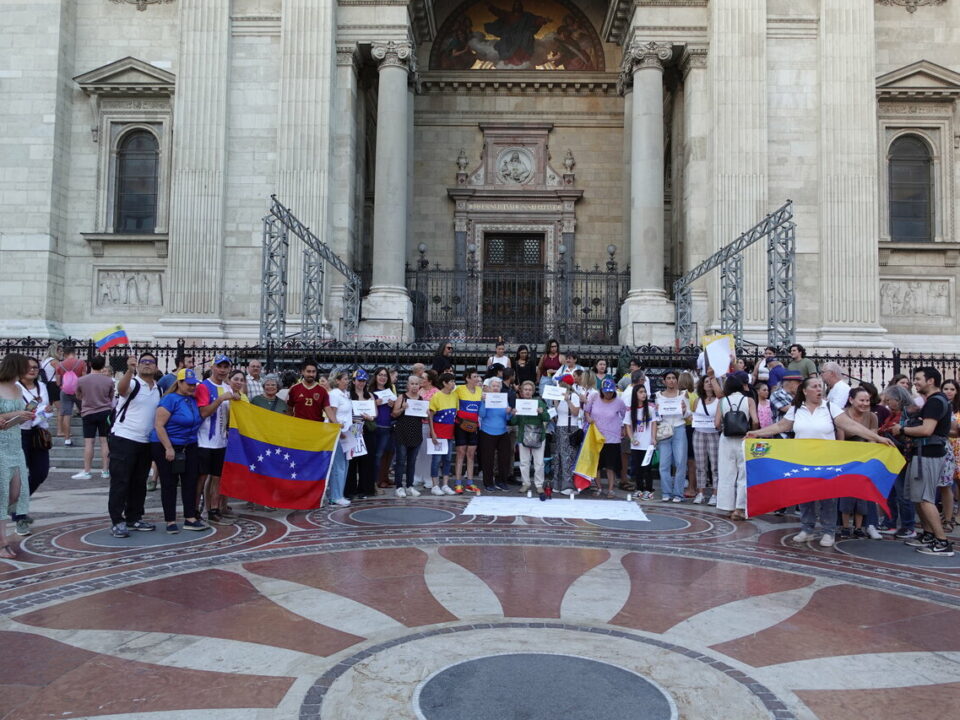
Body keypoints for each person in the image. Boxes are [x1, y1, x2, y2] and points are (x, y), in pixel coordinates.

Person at [747, 377, 892, 547]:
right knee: (804, 494)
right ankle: (806, 528)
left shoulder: (830, 408)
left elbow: (852, 426)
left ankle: (828, 531)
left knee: (827, 497)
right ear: (804, 391)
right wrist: (756, 433)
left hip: (826, 461)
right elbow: (780, 427)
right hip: (802, 460)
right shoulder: (796, 409)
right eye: (814, 387)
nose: (819, 390)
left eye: (820, 386)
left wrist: (877, 438)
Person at [887, 366, 955, 556]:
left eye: (918, 379)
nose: (914, 382)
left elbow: (926, 430)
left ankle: (942, 541)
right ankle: (928, 534)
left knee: (925, 498)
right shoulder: (934, 401)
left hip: (928, 453)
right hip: (923, 453)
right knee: (917, 496)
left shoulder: (935, 402)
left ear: (931, 380)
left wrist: (901, 430)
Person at [107, 353, 161, 538]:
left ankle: (134, 517)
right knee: (121, 481)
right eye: (143, 362)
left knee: (139, 483)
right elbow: (121, 390)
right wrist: (129, 371)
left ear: (156, 366)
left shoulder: (157, 389)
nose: (147, 365)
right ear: (138, 366)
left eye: (150, 362)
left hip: (145, 442)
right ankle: (117, 520)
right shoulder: (133, 382)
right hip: (125, 438)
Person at [151, 368, 208, 534]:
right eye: (189, 384)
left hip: (189, 445)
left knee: (190, 481)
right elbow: (159, 425)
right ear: (179, 383)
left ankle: (190, 517)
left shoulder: (191, 400)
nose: (192, 387)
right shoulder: (169, 400)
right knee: (169, 483)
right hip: (167, 444)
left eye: (194, 384)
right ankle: (170, 520)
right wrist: (168, 447)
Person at [12, 357, 52, 535]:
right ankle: (20, 516)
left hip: (39, 433)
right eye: (28, 367)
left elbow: (45, 408)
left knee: (40, 473)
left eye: (36, 367)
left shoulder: (42, 387)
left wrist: (45, 412)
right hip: (19, 433)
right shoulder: (13, 388)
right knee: (19, 476)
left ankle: (16, 504)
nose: (33, 370)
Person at [195, 355, 237, 526]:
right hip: (204, 441)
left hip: (221, 441)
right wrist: (220, 399)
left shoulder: (228, 387)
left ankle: (214, 510)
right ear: (213, 367)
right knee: (201, 477)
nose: (222, 370)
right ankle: (195, 510)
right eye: (219, 366)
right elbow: (203, 412)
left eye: (226, 367)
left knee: (218, 477)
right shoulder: (204, 386)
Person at [837, 386, 882, 540]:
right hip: (847, 460)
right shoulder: (842, 415)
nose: (865, 403)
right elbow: (840, 441)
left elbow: (872, 439)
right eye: (861, 400)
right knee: (846, 496)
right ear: (851, 400)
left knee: (862, 496)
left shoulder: (872, 417)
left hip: (865, 460)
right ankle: (844, 526)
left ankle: (860, 527)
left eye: (867, 400)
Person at [0, 354, 34, 558]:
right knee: (2, 494)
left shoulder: (18, 388)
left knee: (15, 493)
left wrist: (25, 416)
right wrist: (15, 415)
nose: (29, 369)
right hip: (0, 446)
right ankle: (1, 542)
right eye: (26, 366)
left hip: (15, 443)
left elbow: (17, 418)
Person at [714, 374, 758, 520]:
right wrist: (752, 431)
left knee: (726, 473)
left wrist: (725, 427)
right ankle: (740, 508)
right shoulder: (749, 400)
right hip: (744, 439)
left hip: (726, 439)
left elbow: (716, 423)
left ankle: (727, 507)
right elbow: (756, 421)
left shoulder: (722, 401)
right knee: (743, 474)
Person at [877, 384, 917, 539]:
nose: (887, 403)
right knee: (890, 492)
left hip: (902, 458)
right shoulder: (892, 415)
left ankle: (908, 525)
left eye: (889, 400)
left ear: (899, 399)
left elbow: (903, 436)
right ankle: (890, 522)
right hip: (892, 459)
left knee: (902, 494)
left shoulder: (906, 415)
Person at [71, 355, 114, 481]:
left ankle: (87, 471)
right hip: (104, 411)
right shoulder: (108, 380)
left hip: (88, 412)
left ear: (90, 364)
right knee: (104, 441)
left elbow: (78, 395)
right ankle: (105, 470)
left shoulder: (82, 380)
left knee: (89, 442)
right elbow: (111, 396)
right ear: (103, 365)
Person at [583, 378, 627, 497]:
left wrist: (623, 427)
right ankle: (599, 488)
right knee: (596, 465)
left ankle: (611, 489)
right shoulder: (594, 397)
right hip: (595, 436)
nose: (609, 394)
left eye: (611, 391)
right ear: (601, 390)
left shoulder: (619, 402)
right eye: (606, 391)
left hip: (612, 437)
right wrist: (588, 418)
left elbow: (625, 415)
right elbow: (586, 410)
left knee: (610, 466)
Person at [655, 370, 691, 502]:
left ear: (677, 380)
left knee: (680, 462)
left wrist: (684, 410)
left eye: (673, 378)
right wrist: (657, 411)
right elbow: (656, 417)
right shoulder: (658, 395)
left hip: (679, 428)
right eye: (668, 378)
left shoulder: (683, 394)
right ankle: (666, 492)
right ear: (664, 381)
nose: (671, 380)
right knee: (664, 463)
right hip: (664, 429)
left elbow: (688, 414)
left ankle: (678, 493)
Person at [510, 380, 550, 497]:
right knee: (524, 462)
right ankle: (526, 483)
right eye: (525, 390)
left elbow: (547, 418)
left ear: (533, 391)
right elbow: (514, 422)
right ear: (521, 392)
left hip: (538, 436)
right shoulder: (519, 404)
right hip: (523, 436)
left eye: (530, 390)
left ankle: (538, 485)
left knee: (539, 463)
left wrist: (542, 413)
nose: (527, 392)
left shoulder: (539, 403)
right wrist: (514, 414)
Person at [346, 369, 377, 500]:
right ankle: (350, 490)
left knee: (366, 461)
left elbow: (375, 414)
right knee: (352, 461)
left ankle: (365, 489)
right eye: (359, 380)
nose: (361, 383)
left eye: (364, 381)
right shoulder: (347, 395)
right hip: (352, 430)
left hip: (367, 430)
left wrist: (370, 418)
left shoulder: (370, 395)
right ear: (353, 381)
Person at [391, 375, 425, 498]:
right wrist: (402, 409)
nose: (414, 386)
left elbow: (422, 417)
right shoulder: (402, 397)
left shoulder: (421, 399)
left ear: (419, 385)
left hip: (416, 433)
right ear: (408, 385)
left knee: (412, 462)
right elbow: (394, 414)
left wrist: (426, 413)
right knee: (400, 461)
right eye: (412, 383)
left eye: (416, 384)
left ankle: (410, 486)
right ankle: (399, 487)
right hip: (402, 433)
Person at [478, 377, 512, 493]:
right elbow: (481, 415)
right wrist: (482, 402)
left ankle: (501, 481)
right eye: (494, 386)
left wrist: (509, 412)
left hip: (502, 431)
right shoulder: (485, 398)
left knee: (505, 458)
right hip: (487, 431)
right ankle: (488, 483)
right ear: (489, 387)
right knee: (488, 459)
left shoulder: (503, 399)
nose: (496, 388)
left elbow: (507, 418)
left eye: (498, 386)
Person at [626, 383, 659, 500]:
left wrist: (653, 438)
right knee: (637, 468)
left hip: (647, 444)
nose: (643, 394)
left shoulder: (650, 408)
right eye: (640, 392)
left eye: (644, 392)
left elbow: (654, 423)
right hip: (636, 445)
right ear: (635, 394)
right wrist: (632, 439)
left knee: (647, 469)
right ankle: (639, 488)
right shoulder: (630, 410)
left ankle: (648, 490)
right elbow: (628, 426)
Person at [427, 372, 458, 496]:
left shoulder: (455, 396)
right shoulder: (436, 396)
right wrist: (433, 433)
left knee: (448, 459)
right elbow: (430, 416)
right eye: (450, 382)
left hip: (449, 433)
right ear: (444, 383)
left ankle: (445, 484)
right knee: (436, 459)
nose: (453, 384)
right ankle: (435, 485)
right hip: (439, 433)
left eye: (453, 381)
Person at [691, 375, 719, 505]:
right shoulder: (698, 401)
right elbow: (693, 416)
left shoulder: (719, 400)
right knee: (700, 465)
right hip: (699, 433)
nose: (709, 384)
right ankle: (700, 492)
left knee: (715, 466)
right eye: (706, 381)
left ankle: (715, 493)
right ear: (702, 385)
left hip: (714, 434)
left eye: (711, 381)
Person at [453, 368, 483, 494]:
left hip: (474, 426)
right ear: (467, 378)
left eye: (477, 376)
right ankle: (458, 483)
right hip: (460, 425)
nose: (477, 379)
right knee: (460, 453)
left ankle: (470, 482)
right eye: (474, 376)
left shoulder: (480, 391)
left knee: (471, 454)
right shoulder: (459, 389)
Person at [326, 371, 354, 507]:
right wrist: (338, 429)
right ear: (337, 381)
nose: (347, 381)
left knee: (344, 463)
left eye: (347, 379)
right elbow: (332, 414)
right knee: (338, 465)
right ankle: (335, 496)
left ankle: (338, 494)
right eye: (344, 379)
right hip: (338, 434)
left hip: (346, 433)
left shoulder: (345, 395)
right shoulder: (335, 395)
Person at [552, 372, 581, 495]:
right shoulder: (558, 395)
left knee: (568, 457)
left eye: (560, 381)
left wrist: (568, 400)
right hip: (560, 427)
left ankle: (567, 485)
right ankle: (557, 484)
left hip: (570, 428)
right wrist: (555, 401)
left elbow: (575, 412)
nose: (558, 383)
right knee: (559, 455)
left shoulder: (574, 396)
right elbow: (556, 412)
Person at [369, 366, 396, 489]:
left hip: (388, 425)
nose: (383, 377)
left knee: (388, 453)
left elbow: (394, 410)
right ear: (375, 376)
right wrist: (374, 403)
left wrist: (393, 404)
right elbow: (363, 407)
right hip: (376, 426)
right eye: (380, 375)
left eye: (385, 375)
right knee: (378, 455)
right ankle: (375, 481)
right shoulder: (370, 391)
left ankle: (383, 478)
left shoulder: (389, 391)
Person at [56, 347, 87, 446]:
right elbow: (84, 378)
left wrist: (63, 386)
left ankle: (67, 439)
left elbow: (57, 382)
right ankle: (87, 435)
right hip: (79, 391)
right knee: (85, 411)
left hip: (65, 391)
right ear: (74, 353)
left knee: (66, 414)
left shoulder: (60, 365)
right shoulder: (81, 363)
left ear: (65, 354)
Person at [941, 378, 960, 534]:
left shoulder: (957, 409)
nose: (948, 392)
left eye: (952, 389)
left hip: (957, 447)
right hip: (946, 447)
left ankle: (955, 514)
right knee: (947, 483)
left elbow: (956, 431)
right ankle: (946, 514)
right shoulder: (940, 405)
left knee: (956, 482)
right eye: (946, 388)